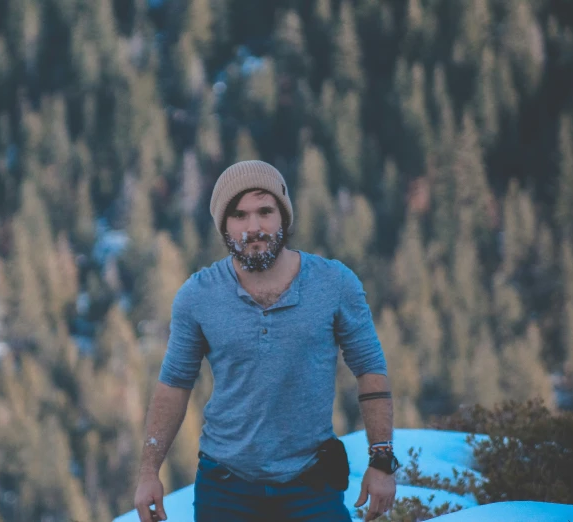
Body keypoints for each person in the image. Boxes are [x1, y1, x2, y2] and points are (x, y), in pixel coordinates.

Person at [133, 160, 398, 521]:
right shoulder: (198, 296)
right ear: (223, 226)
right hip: (225, 485)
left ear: (283, 217)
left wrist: (381, 461)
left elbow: (370, 369)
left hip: (312, 482)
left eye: (265, 211)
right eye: (239, 215)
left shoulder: (334, 284)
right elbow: (174, 386)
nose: (254, 227)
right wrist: (149, 471)